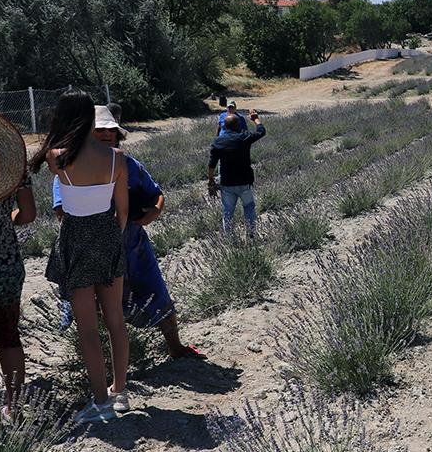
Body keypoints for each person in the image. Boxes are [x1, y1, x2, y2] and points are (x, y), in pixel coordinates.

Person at [54, 106, 206, 360]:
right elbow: (61, 210)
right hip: (91, 250)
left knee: (158, 295)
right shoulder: (71, 166)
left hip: (133, 246)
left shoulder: (130, 165)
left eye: (110, 130)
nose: (105, 135)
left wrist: (153, 212)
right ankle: (102, 363)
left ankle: (175, 348)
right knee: (95, 309)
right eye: (99, 130)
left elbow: (156, 194)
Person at [29, 91, 129, 424]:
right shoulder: (117, 158)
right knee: (115, 319)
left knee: (88, 328)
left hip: (76, 237)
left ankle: (101, 402)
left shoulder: (57, 158)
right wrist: (110, 237)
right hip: (108, 234)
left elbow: (48, 155)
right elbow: (123, 212)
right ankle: (121, 391)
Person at [0, 157, 35, 422]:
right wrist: (5, 219)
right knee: (8, 336)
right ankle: (15, 408)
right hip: (6, 263)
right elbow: (28, 213)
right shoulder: (14, 169)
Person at [208, 108, 266, 234]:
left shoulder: (218, 142)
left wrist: (211, 180)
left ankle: (229, 240)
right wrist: (255, 119)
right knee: (249, 208)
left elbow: (212, 164)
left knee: (228, 212)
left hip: (227, 183)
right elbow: (261, 131)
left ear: (224, 125)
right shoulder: (245, 137)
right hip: (244, 181)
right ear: (239, 125)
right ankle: (251, 235)